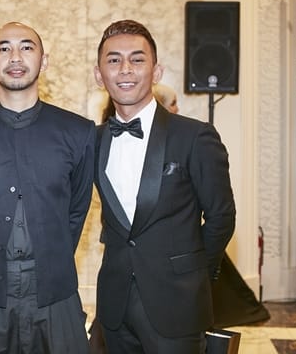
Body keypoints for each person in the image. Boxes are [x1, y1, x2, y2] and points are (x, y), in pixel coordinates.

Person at [0, 21, 95, 354]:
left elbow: (76, 211)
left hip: (56, 293)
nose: (15, 56)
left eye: (27, 47)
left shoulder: (79, 132)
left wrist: (48, 254)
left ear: (44, 60)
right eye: (4, 48)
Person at [92, 19, 235, 354]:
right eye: (113, 60)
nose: (125, 69)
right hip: (114, 306)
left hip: (178, 305)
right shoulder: (93, 141)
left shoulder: (195, 136)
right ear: (99, 75)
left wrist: (190, 274)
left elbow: (221, 218)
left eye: (137, 59)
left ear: (156, 71)